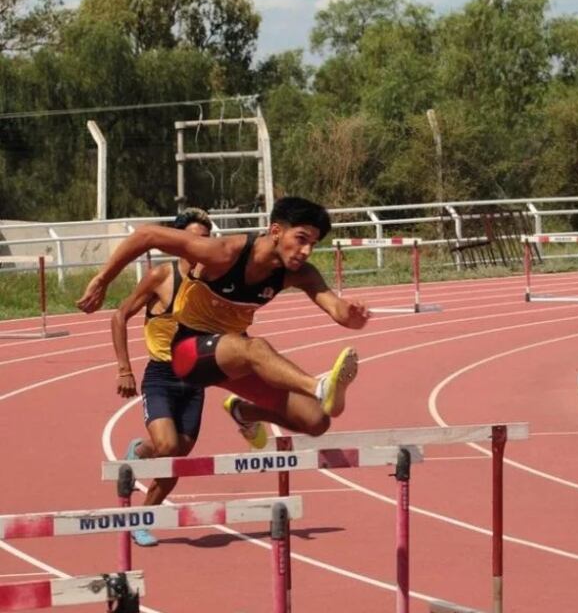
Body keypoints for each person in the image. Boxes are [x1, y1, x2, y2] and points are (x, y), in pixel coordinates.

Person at [78, 196, 370, 448]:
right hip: (188, 354)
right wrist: (102, 280)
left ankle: (244, 413)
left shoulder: (300, 273)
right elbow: (146, 235)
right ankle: (319, 387)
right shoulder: (225, 253)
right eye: (301, 239)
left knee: (317, 421)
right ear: (276, 231)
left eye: (313, 244)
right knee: (253, 347)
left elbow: (337, 310)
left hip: (230, 361)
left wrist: (352, 315)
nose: (306, 251)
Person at [111, 208, 212, 547]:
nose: (203, 245)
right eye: (196, 238)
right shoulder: (161, 276)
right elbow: (120, 316)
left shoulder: (213, 281)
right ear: (180, 242)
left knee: (178, 458)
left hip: (195, 379)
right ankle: (145, 450)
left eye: (207, 239)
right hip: (161, 376)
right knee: (168, 447)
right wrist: (124, 368)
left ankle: (142, 516)